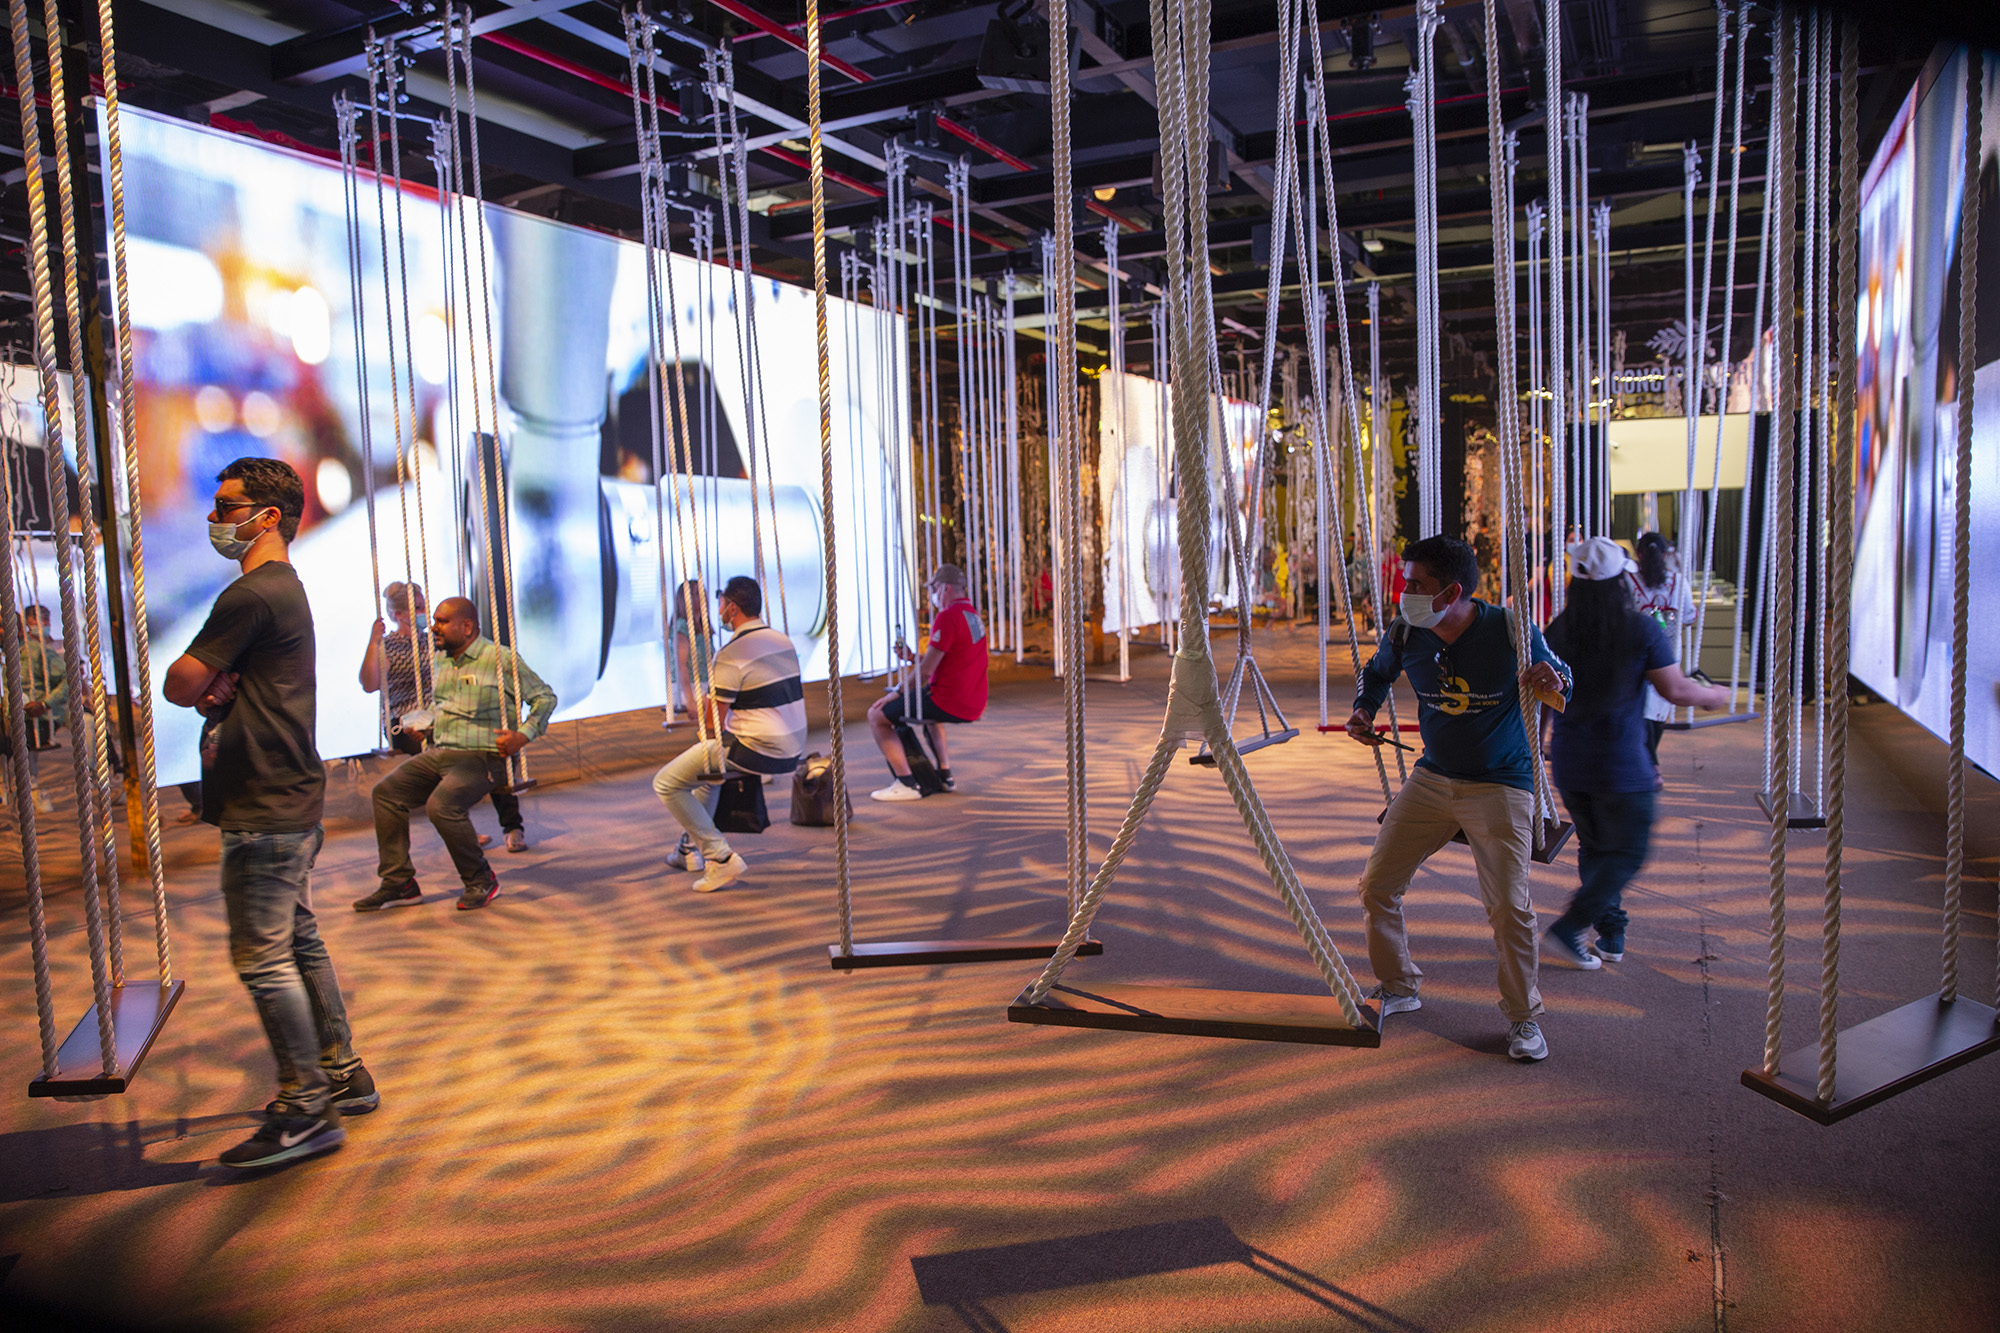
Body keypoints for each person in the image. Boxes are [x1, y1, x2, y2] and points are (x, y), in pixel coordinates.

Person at [162, 456, 374, 1169]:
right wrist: (215, 683)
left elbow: (179, 682)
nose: (215, 517)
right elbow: (206, 684)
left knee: (262, 957)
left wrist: (205, 682)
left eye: (227, 506)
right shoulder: (281, 587)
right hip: (285, 793)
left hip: (265, 802)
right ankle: (341, 1072)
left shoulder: (252, 593)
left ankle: (305, 1108)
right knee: (298, 939)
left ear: (268, 516)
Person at [1344, 534, 1572, 1063]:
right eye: (1406, 582)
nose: (1405, 592)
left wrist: (1555, 678)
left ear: (1451, 593)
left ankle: (1523, 1017)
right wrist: (1363, 710)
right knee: (1377, 885)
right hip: (1433, 777)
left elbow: (1564, 678)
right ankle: (1399, 984)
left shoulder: (1510, 631)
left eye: (1416, 584)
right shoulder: (1407, 631)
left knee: (1509, 907)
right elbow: (1376, 673)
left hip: (1501, 782)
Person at [1542, 537, 1732, 967]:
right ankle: (1570, 927)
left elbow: (1541, 698)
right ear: (1622, 580)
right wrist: (1714, 696)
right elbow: (1675, 689)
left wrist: (1539, 744)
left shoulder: (1557, 630)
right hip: (1620, 763)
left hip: (1571, 761)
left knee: (1596, 848)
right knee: (1629, 851)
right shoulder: (1641, 629)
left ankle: (1610, 934)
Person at [354, 597, 556, 912]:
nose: (434, 627)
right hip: (442, 751)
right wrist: (426, 723)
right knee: (386, 793)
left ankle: (481, 880)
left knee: (441, 805)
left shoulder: (499, 659)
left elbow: (544, 698)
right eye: (434, 620)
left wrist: (522, 735)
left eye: (442, 621)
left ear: (467, 627)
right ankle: (399, 883)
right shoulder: (442, 661)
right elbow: (443, 706)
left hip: (483, 755)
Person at [655, 575, 805, 891]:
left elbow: (714, 723)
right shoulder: (783, 641)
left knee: (666, 782)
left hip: (755, 747)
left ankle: (720, 857)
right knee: (708, 778)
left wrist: (703, 709)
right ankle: (687, 847)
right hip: (794, 746)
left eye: (720, 602)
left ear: (732, 608)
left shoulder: (731, 652)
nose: (717, 608)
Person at [360, 581, 528, 853]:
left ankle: (512, 825)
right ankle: (460, 825)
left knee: (492, 745)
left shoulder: (437, 641)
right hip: (406, 719)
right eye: (418, 608)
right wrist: (373, 642)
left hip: (443, 714)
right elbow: (369, 684)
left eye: (424, 606)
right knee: (443, 751)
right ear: (399, 615)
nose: (425, 612)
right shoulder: (389, 646)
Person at [867, 563, 988, 802]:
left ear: (944, 588)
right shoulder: (972, 616)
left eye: (933, 589)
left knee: (877, 715)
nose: (931, 595)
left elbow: (926, 671)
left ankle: (906, 783)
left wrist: (897, 693)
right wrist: (912, 657)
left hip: (949, 699)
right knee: (929, 715)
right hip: (973, 700)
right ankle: (945, 776)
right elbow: (945, 657)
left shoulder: (947, 617)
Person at [1627, 530, 1697, 775]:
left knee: (1639, 706)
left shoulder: (1628, 581)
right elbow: (1689, 616)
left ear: (1638, 554)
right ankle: (1650, 762)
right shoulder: (1679, 582)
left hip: (1634, 654)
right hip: (1668, 655)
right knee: (1658, 708)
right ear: (1667, 554)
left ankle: (1648, 762)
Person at [669, 578, 713, 723]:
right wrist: (690, 700)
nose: (703, 596)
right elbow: (681, 665)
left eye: (703, 592)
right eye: (697, 593)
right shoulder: (682, 626)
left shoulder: (703, 626)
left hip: (704, 687)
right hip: (688, 689)